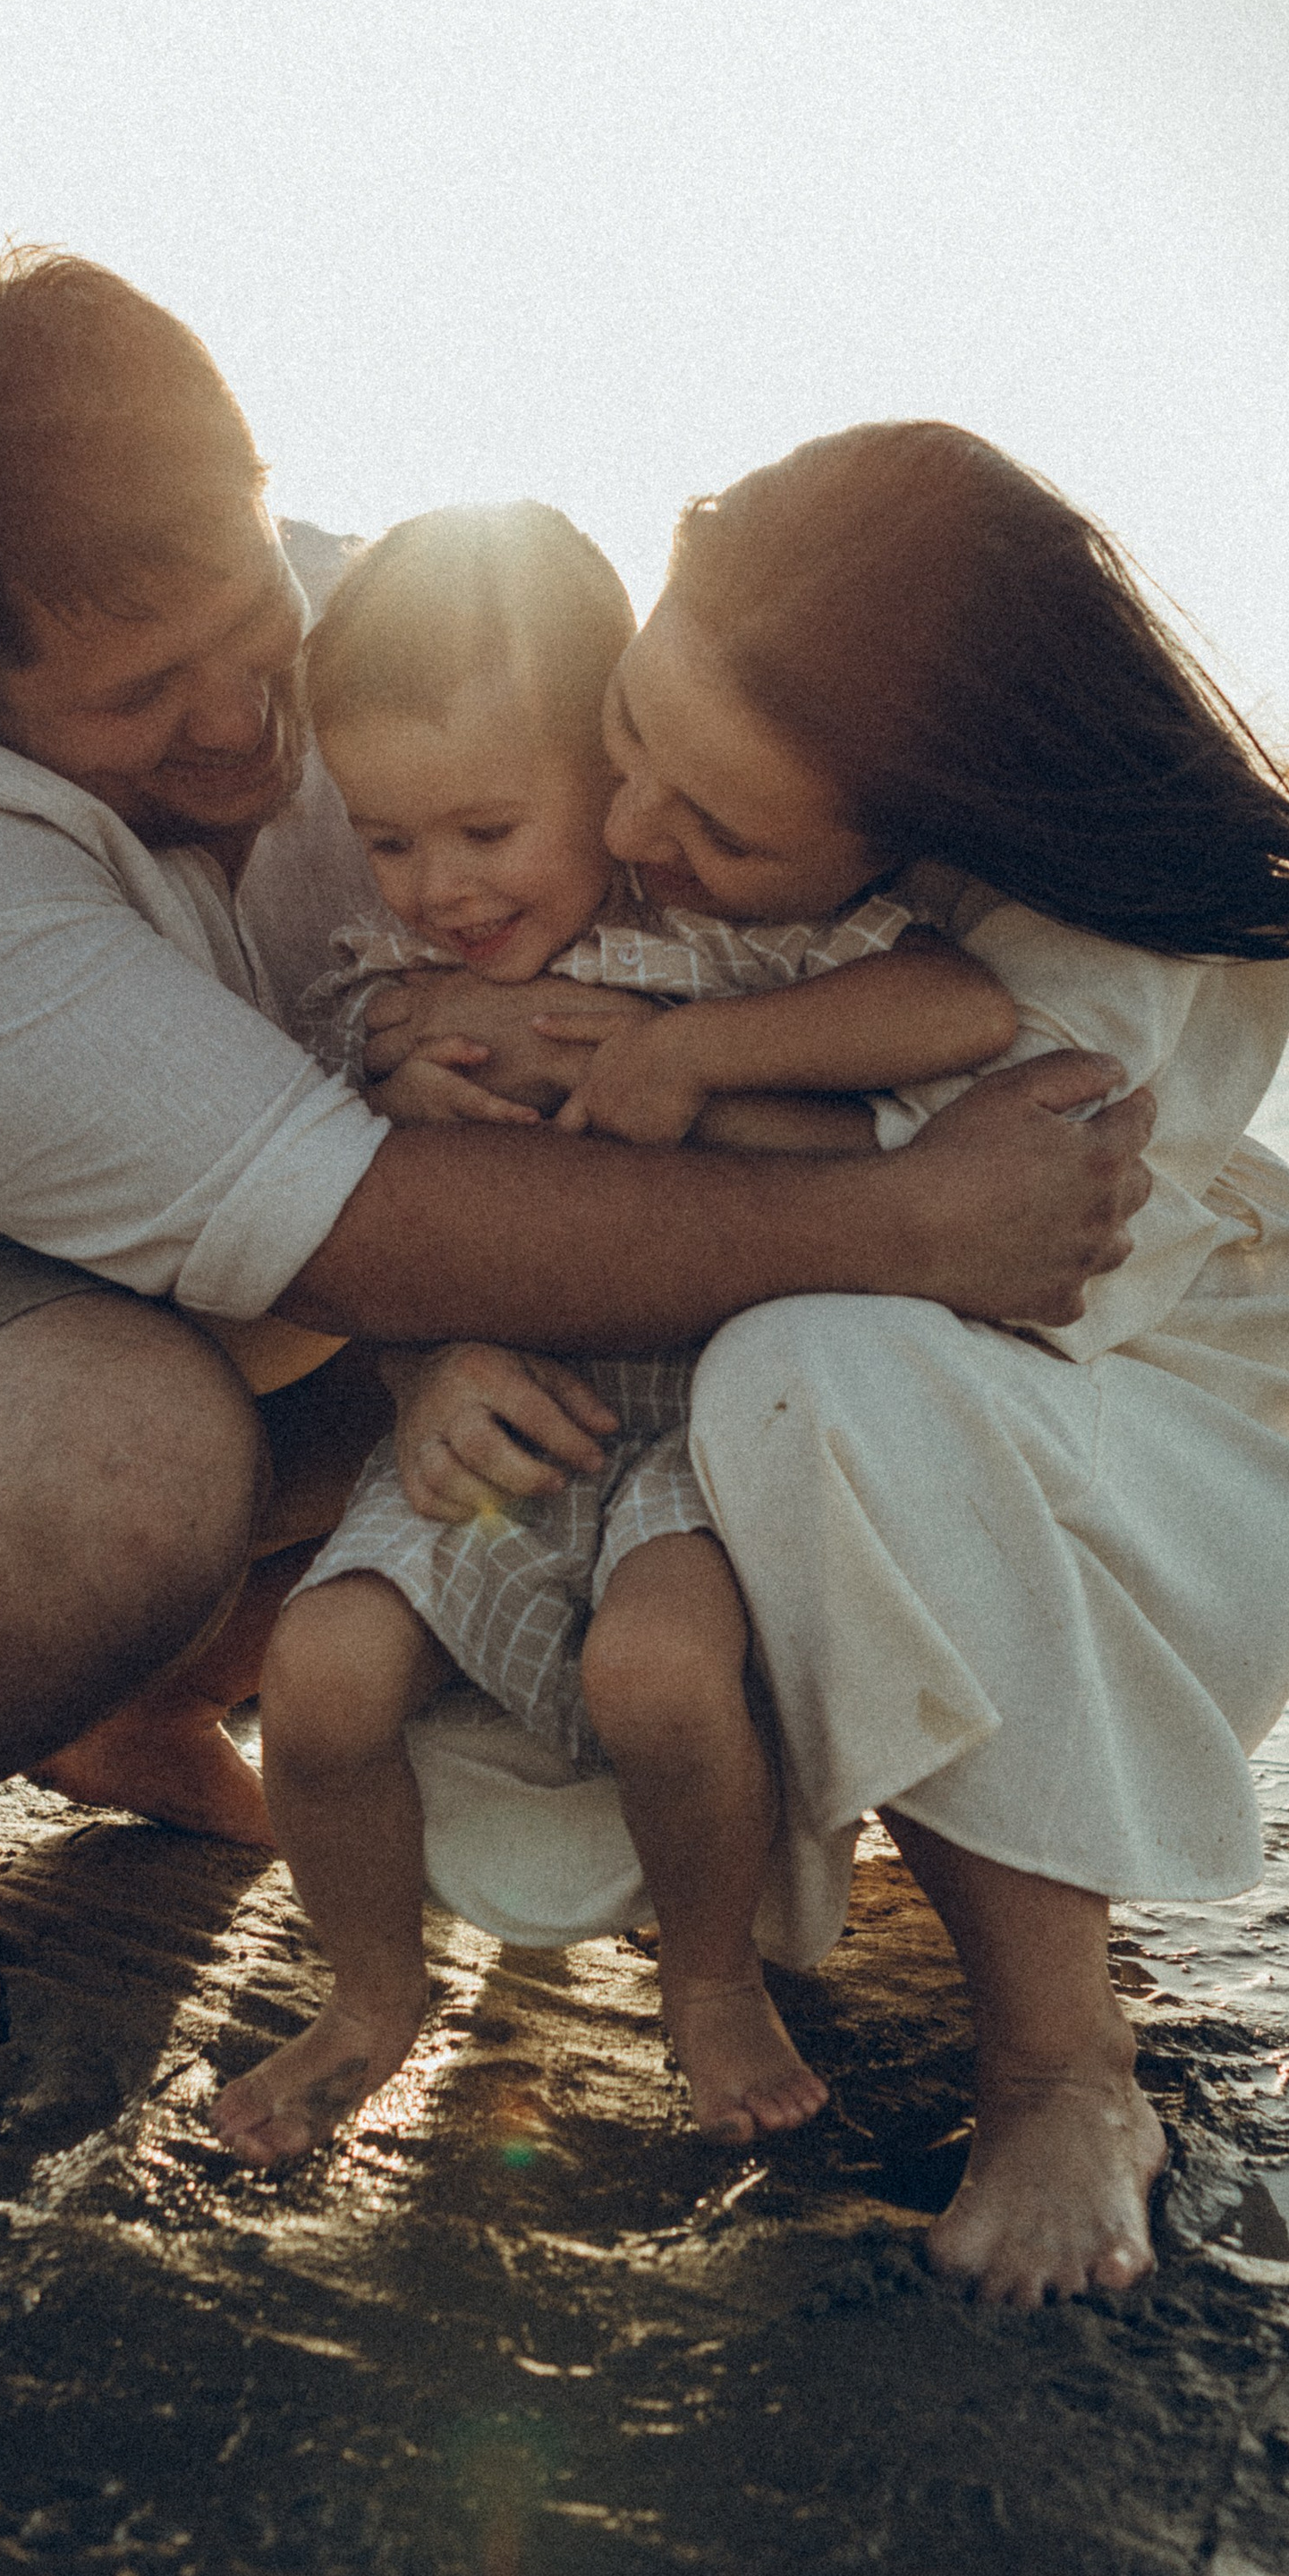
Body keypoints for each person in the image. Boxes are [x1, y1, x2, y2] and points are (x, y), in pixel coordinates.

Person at [0, 265, 1156, 2064]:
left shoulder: (345, 615)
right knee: (136, 1466)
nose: (241, 724)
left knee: (505, 1400)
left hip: (169, 1295)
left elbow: (658, 813)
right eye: (146, 697)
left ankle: (119, 1698)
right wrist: (907, 1221)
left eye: (252, 623)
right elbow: (370, 1238)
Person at [354, 422, 1289, 2305]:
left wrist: (632, 1076)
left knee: (814, 1363)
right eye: (627, 740)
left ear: (924, 818)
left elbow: (975, 1244)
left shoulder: (1101, 974)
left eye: (711, 826)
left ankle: (1061, 2067)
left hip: (1145, 1440)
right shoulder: (734, 767)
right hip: (901, 1407)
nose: (627, 834)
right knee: (656, 1423)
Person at [209, 504, 1016, 2159]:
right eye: (388, 841)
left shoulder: (728, 941)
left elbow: (966, 1006)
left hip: (705, 1428)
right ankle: (371, 1992)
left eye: (488, 829)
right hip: (500, 1429)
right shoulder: (390, 987)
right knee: (319, 1673)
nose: (438, 888)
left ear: (608, 772)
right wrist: (386, 1085)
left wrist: (703, 1053)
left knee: (657, 1673)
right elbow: (313, 1160)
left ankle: (709, 1982)